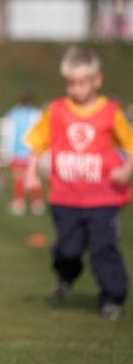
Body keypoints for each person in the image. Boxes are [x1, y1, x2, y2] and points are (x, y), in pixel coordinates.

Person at [24, 46, 133, 320]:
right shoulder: (56, 110)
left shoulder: (110, 112)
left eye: (81, 83)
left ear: (97, 80)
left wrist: (126, 170)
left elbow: (130, 146)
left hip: (103, 197)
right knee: (67, 249)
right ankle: (65, 277)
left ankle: (113, 298)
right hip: (65, 196)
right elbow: (37, 143)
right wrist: (31, 172)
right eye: (70, 83)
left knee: (103, 248)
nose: (75, 89)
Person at [2, 93, 43, 215]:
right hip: (30, 152)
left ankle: (20, 203)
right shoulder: (36, 114)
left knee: (20, 177)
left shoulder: (14, 113)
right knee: (32, 177)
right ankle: (36, 203)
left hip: (20, 151)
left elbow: (8, 133)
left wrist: (6, 151)